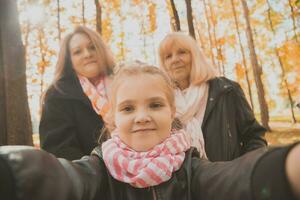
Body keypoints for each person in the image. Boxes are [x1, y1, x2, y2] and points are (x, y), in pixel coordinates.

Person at [0, 65, 300, 200]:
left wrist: (286, 168)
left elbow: (230, 179)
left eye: (155, 105)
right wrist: (15, 173)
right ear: (113, 120)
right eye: (128, 109)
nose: (142, 117)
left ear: (172, 113)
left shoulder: (190, 168)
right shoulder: (99, 168)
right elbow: (64, 179)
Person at [158, 32, 267, 161]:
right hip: (180, 180)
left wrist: (243, 170)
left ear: (195, 56)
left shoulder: (226, 90)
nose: (175, 60)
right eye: (168, 56)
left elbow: (254, 136)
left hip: (225, 178)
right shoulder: (161, 100)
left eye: (182, 52)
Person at [39, 26, 115, 160]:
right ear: (70, 61)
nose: (87, 54)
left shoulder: (124, 82)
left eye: (92, 47)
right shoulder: (57, 94)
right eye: (78, 52)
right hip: (91, 176)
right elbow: (58, 149)